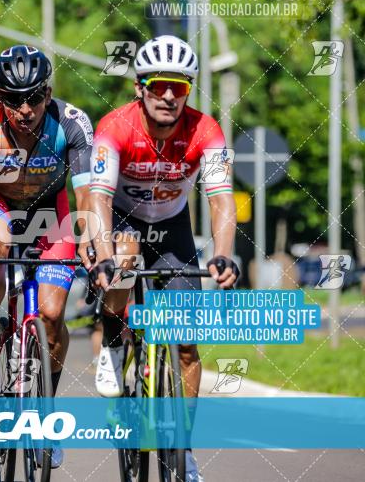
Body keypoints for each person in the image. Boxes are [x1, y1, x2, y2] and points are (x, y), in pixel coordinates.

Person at [88, 35, 240, 482]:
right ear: (140, 87)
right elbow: (97, 198)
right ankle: (114, 347)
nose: (170, 95)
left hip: (173, 228)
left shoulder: (206, 131)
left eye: (180, 87)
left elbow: (221, 199)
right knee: (125, 258)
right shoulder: (114, 128)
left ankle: (183, 448)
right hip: (122, 221)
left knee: (187, 345)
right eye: (159, 86)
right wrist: (102, 257)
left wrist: (224, 256)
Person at [0, 45, 95, 469]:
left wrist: (92, 238)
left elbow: (87, 192)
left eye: (35, 97)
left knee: (53, 314)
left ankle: (47, 410)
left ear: (48, 92)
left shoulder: (71, 123)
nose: (25, 108)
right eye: (14, 99)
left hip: (50, 211)